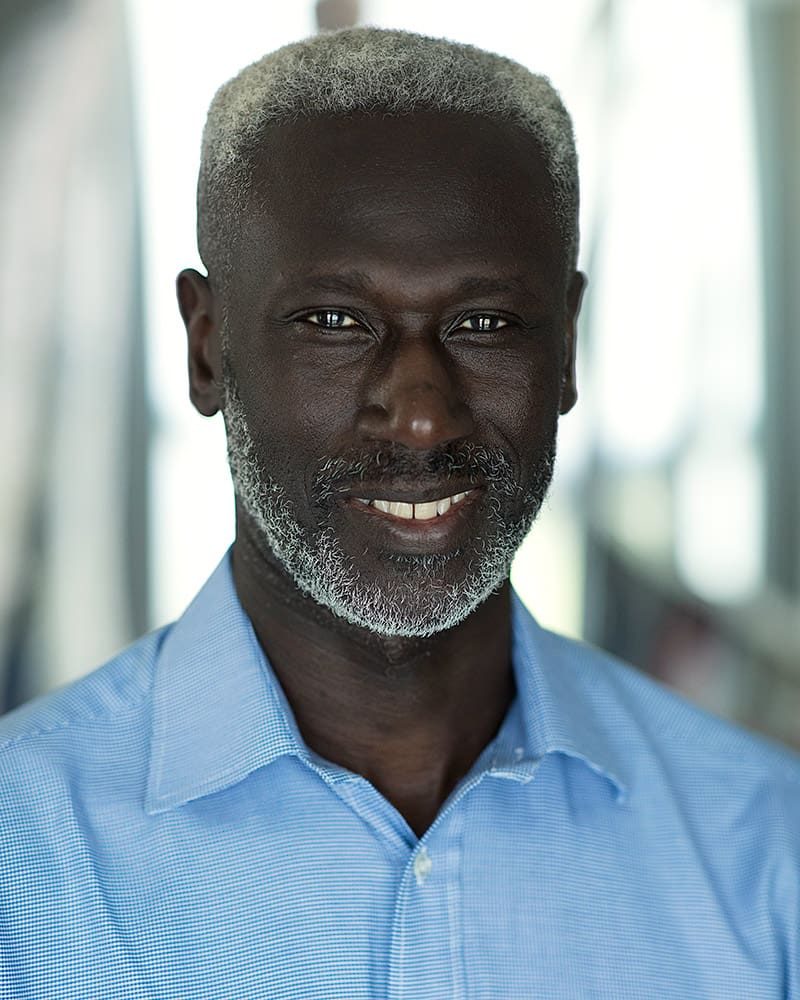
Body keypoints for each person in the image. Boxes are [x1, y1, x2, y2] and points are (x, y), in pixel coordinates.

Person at [0, 25, 798, 1000]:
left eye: (484, 323)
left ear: (568, 348)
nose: (420, 414)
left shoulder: (765, 850)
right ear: (207, 348)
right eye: (335, 321)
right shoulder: (21, 855)